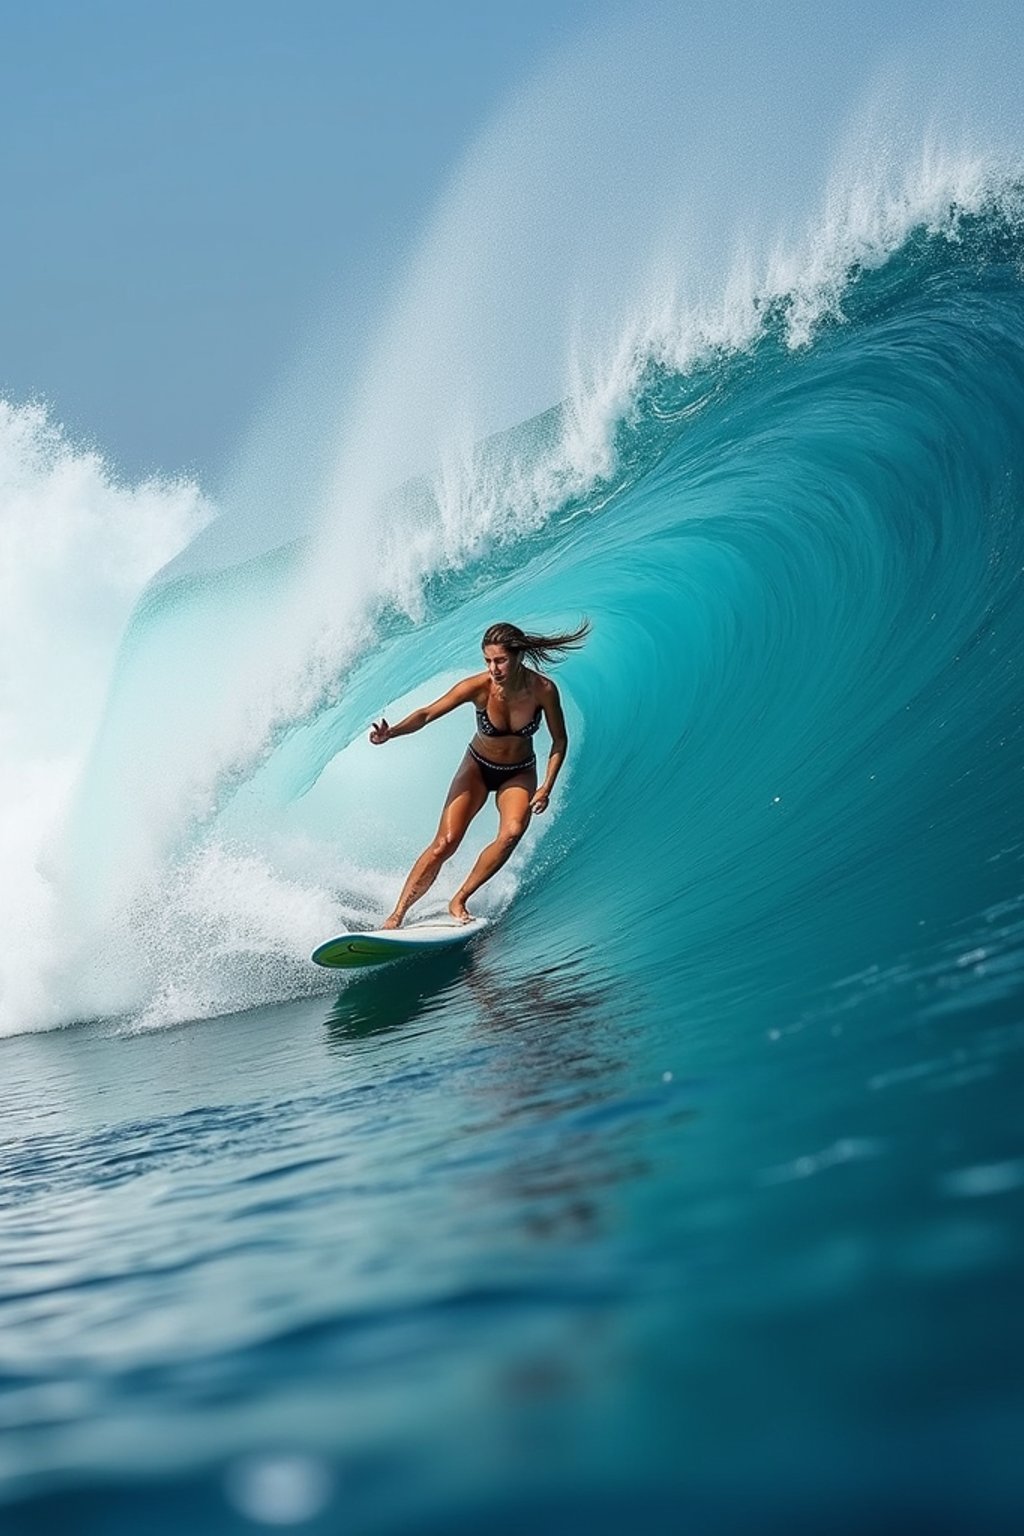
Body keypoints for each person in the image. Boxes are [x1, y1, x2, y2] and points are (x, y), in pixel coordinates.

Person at [369, 620, 589, 927]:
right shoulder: (479, 687)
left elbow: (559, 740)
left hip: (519, 772)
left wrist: (546, 787)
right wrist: (392, 733)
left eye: (500, 660)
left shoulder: (543, 690)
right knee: (445, 842)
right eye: (488, 660)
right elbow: (428, 713)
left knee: (511, 833)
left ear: (518, 657)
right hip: (477, 766)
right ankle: (397, 914)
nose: (493, 668)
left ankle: (459, 898)